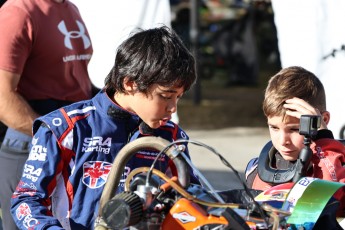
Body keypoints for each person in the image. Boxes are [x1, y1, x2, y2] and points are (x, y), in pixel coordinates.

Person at [10, 26, 198, 229]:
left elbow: (195, 197)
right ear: (130, 83)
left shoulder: (170, 136)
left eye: (179, 97)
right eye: (166, 96)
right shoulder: (66, 127)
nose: (172, 108)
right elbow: (26, 200)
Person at [0, 0, 97, 229]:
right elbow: (3, 99)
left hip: (71, 143)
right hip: (32, 146)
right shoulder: (18, 11)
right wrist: (51, 135)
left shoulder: (69, 8)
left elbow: (76, 81)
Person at [245, 66, 345, 191]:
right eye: (274, 128)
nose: (283, 141)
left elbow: (335, 197)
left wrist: (324, 139)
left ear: (323, 120)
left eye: (294, 129)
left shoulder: (337, 166)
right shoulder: (255, 172)